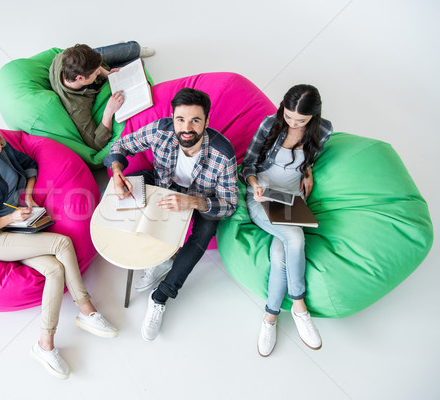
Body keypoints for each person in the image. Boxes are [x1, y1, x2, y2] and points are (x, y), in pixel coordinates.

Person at [0, 121, 118, 379]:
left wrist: (29, 196)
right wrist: (9, 219)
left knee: (54, 270)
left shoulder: (4, 148)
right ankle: (87, 309)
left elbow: (29, 165)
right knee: (62, 243)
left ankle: (45, 345)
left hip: (19, 220)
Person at [104, 88, 238, 341]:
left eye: (195, 120)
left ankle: (161, 295)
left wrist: (191, 202)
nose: (186, 128)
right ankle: (158, 259)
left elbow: (229, 204)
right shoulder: (160, 130)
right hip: (164, 184)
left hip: (201, 197)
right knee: (124, 187)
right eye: (180, 119)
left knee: (205, 231)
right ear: (173, 118)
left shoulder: (223, 153)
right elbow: (120, 145)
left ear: (207, 122)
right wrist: (117, 171)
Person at [240, 84, 333, 357]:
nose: (292, 124)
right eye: (289, 116)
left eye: (300, 121)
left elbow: (310, 156)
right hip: (262, 194)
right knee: (294, 237)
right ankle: (299, 306)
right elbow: (248, 164)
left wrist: (308, 170)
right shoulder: (270, 124)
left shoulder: (324, 130)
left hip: (291, 197)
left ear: (313, 117)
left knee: (282, 250)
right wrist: (255, 185)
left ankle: (270, 316)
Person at [49, 41, 155, 151]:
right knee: (140, 63)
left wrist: (108, 74)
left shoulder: (67, 56)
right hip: (86, 77)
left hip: (87, 65)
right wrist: (108, 112)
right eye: (95, 72)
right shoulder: (76, 107)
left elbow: (96, 67)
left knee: (133, 48)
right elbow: (96, 143)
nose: (98, 72)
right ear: (80, 78)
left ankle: (117, 57)